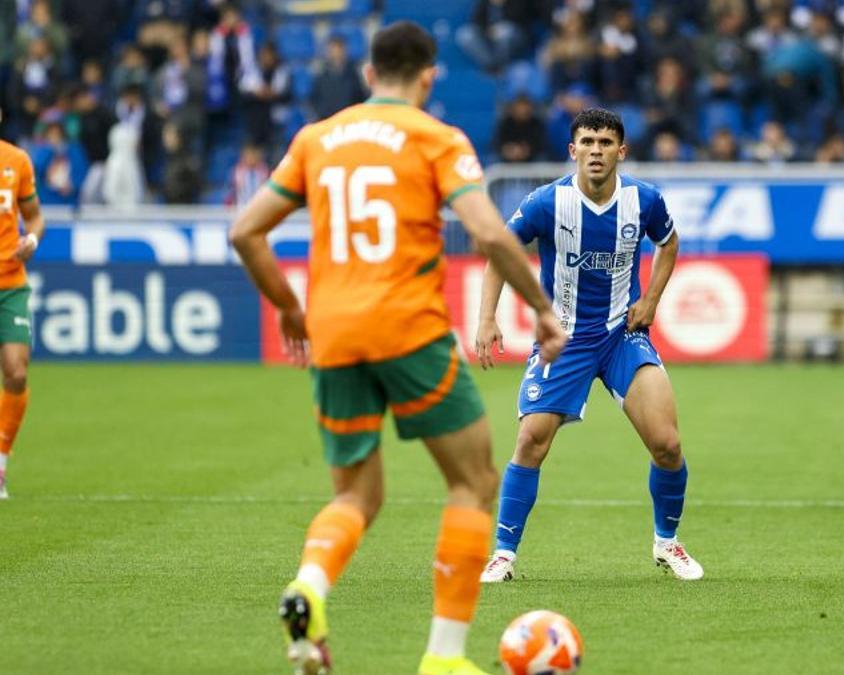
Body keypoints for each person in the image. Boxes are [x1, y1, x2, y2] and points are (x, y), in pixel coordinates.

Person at [228, 21, 566, 675]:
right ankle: (443, 657)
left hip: (332, 333)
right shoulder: (435, 138)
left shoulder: (315, 138)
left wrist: (291, 309)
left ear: (366, 74)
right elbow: (492, 234)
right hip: (407, 328)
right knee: (471, 480)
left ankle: (309, 587)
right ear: (430, 75)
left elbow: (246, 231)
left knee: (355, 494)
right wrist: (544, 311)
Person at [474, 107, 704, 583]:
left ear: (621, 151)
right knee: (531, 440)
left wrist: (653, 300)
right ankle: (503, 553)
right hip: (565, 339)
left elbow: (670, 242)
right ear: (572, 149)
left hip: (623, 335)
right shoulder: (546, 202)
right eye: (587, 142)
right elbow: (500, 249)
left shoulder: (644, 200)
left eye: (605, 143)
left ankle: (667, 542)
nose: (595, 151)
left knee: (667, 443)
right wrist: (486, 318)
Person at [0, 109, 46, 499]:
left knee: (16, 371)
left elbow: (34, 218)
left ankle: (0, 462)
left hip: (10, 283)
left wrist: (32, 240)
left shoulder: (17, 161)